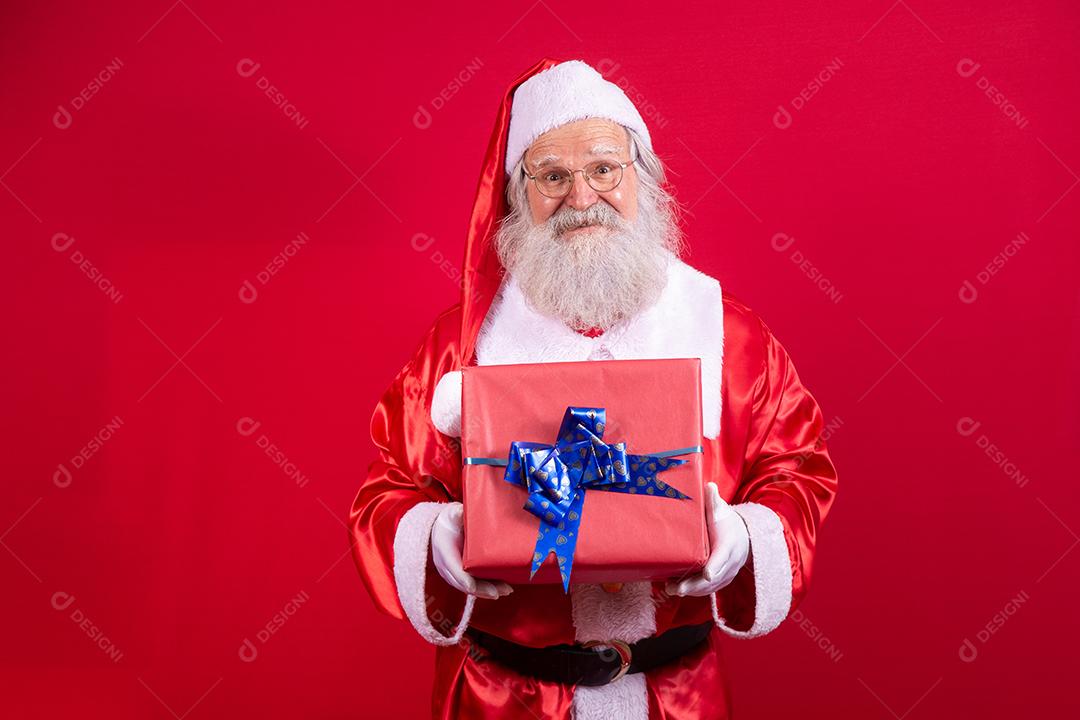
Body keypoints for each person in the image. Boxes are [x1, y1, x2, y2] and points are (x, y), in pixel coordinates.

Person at [349, 58, 839, 719]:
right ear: (519, 196)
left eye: (603, 169)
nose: (582, 199)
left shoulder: (733, 337)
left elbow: (798, 471)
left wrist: (745, 536)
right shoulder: (458, 347)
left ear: (643, 177)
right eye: (552, 176)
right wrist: (438, 537)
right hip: (505, 701)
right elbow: (388, 489)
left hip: (679, 699)